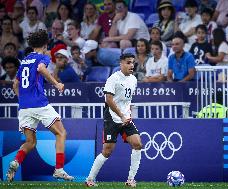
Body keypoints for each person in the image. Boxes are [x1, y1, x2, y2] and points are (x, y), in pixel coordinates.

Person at [6, 29, 74, 182]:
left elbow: (15, 85)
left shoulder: (24, 61)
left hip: (24, 108)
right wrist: (57, 84)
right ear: (45, 44)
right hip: (39, 103)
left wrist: (23, 101)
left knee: (30, 142)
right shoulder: (42, 57)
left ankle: (15, 161)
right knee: (61, 133)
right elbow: (41, 69)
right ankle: (59, 169)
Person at [85, 53, 143, 187]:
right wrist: (121, 115)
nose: (131, 65)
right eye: (128, 62)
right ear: (121, 64)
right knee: (107, 151)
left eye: (133, 63)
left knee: (137, 144)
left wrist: (127, 114)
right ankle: (90, 179)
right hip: (112, 118)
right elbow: (109, 100)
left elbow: (127, 100)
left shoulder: (133, 79)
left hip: (126, 119)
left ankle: (130, 179)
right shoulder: (113, 79)